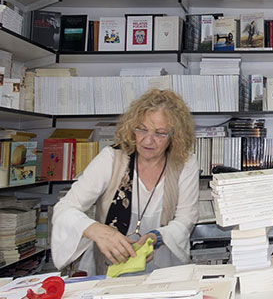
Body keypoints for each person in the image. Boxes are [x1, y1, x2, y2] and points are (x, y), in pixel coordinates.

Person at [51, 89, 199, 275]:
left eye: (160, 133)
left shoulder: (185, 163)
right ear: (132, 128)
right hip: (109, 269)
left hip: (163, 270)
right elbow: (64, 209)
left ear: (174, 136)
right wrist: (96, 230)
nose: (148, 140)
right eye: (141, 129)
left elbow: (186, 218)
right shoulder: (112, 158)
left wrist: (157, 237)